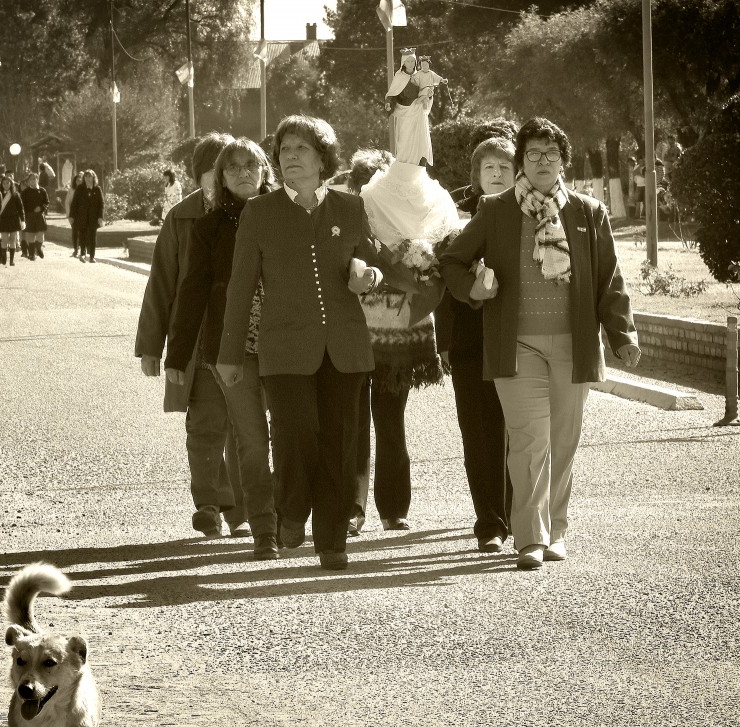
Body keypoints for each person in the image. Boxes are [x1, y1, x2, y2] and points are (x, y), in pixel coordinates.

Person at [216, 115, 418, 571]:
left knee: (340, 445)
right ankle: (291, 508)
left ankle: (331, 543)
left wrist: (368, 275)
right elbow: (240, 288)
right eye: (284, 150)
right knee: (295, 438)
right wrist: (229, 354)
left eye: (300, 149)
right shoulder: (259, 212)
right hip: (284, 351)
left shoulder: (349, 208)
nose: (289, 157)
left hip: (345, 349)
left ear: (322, 158)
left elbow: (371, 261)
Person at [439, 116, 640, 571]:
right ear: (521, 162)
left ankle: (557, 530)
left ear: (563, 161)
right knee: (530, 440)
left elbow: (609, 279)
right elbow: (451, 261)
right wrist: (476, 289)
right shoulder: (496, 209)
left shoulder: (587, 212)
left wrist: (622, 334)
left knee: (563, 441)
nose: (542, 161)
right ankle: (530, 537)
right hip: (517, 346)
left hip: (574, 344)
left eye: (551, 154)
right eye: (533, 154)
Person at [165, 138, 279, 560]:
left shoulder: (288, 215)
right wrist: (177, 356)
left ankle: (289, 515)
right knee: (251, 439)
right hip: (232, 349)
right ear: (220, 177)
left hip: (289, 345)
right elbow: (191, 291)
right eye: (232, 168)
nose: (243, 174)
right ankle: (263, 528)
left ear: (264, 169)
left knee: (289, 435)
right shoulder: (208, 226)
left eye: (251, 165)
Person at [135, 132, 248, 539]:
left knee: (244, 426)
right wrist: (151, 346)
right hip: (197, 341)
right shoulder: (181, 218)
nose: (223, 179)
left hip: (245, 339)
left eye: (232, 170)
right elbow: (162, 284)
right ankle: (210, 505)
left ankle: (240, 511)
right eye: (214, 172)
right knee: (205, 425)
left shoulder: (256, 212)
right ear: (199, 175)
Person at [345, 148, 444, 536]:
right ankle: (353, 508)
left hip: (397, 342)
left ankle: (393, 509)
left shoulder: (413, 229)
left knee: (390, 425)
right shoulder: (346, 222)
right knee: (352, 426)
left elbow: (429, 279)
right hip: (351, 339)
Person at [434, 136, 516, 552]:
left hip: (521, 339)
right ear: (477, 176)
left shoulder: (533, 213)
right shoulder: (456, 219)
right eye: (489, 168)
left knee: (518, 431)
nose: (497, 174)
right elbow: (444, 279)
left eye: (505, 165)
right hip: (470, 339)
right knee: (479, 433)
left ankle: (520, 514)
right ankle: (490, 523)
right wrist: (444, 340)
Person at [385, 49, 438, 167]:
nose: (410, 63)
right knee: (404, 143)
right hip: (404, 113)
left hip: (418, 112)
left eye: (412, 61)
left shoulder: (420, 75)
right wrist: (389, 104)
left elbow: (426, 90)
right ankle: (404, 166)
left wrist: (429, 95)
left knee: (420, 142)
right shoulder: (399, 77)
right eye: (408, 61)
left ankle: (418, 166)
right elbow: (392, 94)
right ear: (403, 63)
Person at [72, 170, 104, 262]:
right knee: (82, 234)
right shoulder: (80, 188)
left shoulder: (97, 189)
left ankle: (92, 256)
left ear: (93, 177)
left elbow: (101, 204)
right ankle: (82, 254)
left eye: (89, 176)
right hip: (82, 216)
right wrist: (72, 216)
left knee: (92, 236)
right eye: (86, 177)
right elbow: (75, 203)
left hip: (93, 216)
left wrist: (100, 216)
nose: (87, 178)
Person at [0, 174, 26, 266]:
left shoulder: (15, 195)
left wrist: (23, 220)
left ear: (11, 184)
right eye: (4, 183)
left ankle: (12, 260)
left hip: (14, 219)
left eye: (8, 183)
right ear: (2, 184)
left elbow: (21, 209)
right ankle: (4, 256)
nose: (6, 185)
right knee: (4, 240)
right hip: (3, 219)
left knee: (13, 240)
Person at [20, 171, 48, 260]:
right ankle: (32, 254)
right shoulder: (25, 192)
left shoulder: (42, 191)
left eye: (34, 179)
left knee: (40, 236)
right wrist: (22, 217)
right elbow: (21, 205)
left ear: (37, 179)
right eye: (31, 179)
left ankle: (39, 248)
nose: (33, 181)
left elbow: (46, 202)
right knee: (30, 236)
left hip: (39, 216)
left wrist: (41, 208)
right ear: (28, 181)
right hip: (29, 216)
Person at [65, 170, 83, 258]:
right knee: (75, 232)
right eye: (77, 180)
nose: (79, 182)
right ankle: (76, 249)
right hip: (74, 214)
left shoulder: (86, 189)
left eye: (81, 180)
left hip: (83, 213)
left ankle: (83, 249)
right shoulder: (72, 190)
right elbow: (67, 203)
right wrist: (69, 215)